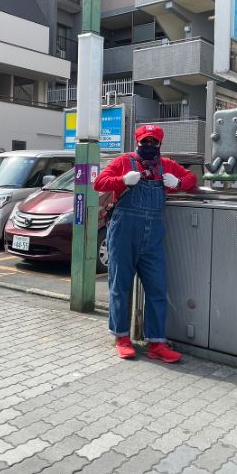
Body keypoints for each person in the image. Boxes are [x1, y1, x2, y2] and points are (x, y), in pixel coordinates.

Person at [93, 124, 197, 362]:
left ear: (160, 144)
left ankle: (156, 343)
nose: (149, 145)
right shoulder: (124, 161)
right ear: (137, 142)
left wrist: (178, 184)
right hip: (123, 231)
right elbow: (99, 182)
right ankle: (121, 338)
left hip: (153, 236)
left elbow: (190, 178)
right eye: (145, 142)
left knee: (157, 288)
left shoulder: (167, 165)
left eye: (153, 142)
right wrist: (122, 180)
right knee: (120, 286)